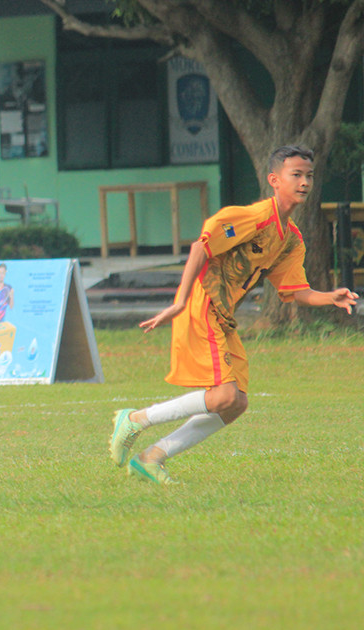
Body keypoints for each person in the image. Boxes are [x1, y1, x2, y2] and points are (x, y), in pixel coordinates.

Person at [108, 145, 358, 484]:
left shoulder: (291, 240)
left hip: (223, 317)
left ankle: (152, 456)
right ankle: (136, 419)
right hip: (203, 304)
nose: (304, 182)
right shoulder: (252, 217)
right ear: (274, 180)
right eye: (295, 174)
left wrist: (329, 296)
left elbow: (294, 291)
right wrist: (180, 301)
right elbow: (201, 246)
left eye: (309, 176)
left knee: (235, 404)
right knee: (224, 395)